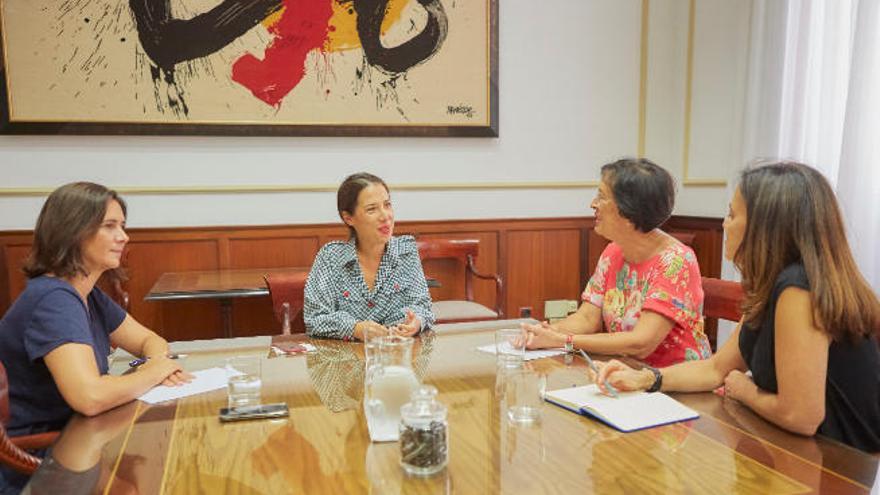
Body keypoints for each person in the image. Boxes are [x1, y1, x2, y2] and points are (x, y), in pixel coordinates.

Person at [596, 162, 880, 452]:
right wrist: (645, 378)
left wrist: (743, 389)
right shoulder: (772, 284)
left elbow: (801, 416)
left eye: (732, 214)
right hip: (795, 449)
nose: (724, 224)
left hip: (842, 465)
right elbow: (717, 368)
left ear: (764, 227)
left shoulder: (798, 287)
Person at [0, 182, 190, 439]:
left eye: (122, 226)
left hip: (81, 435)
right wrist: (156, 372)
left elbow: (149, 340)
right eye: (110, 226)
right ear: (73, 230)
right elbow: (90, 397)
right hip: (42, 456)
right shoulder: (53, 299)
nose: (124, 236)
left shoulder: (88, 293)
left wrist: (156, 363)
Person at [521, 158, 712, 367]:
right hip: (625, 373)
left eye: (601, 197)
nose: (592, 204)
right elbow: (587, 318)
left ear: (629, 210)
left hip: (676, 386)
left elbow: (642, 343)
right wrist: (546, 332)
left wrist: (564, 341)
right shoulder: (613, 251)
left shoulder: (675, 261)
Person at [304, 172, 435, 340]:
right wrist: (355, 329)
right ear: (348, 218)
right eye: (372, 209)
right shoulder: (331, 257)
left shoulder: (406, 251)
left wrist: (416, 322)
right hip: (345, 360)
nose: (385, 216)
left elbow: (423, 307)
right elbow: (315, 319)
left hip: (395, 356)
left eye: (387, 205)